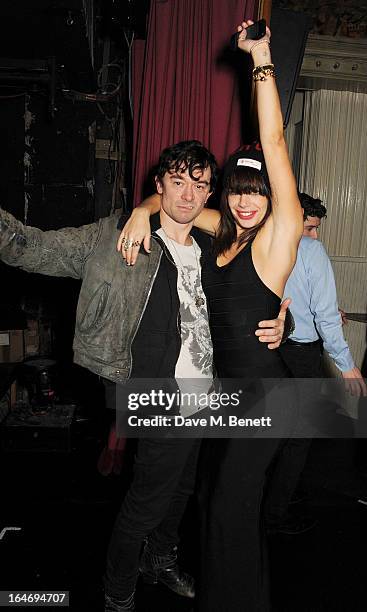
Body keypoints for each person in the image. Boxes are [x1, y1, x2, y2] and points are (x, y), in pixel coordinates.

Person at [0, 140, 288, 612]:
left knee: (184, 487)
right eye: (176, 183)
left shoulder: (211, 244)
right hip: (155, 394)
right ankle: (118, 593)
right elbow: (31, 247)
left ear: (209, 193)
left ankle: (160, 559)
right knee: (148, 498)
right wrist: (138, 214)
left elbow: (247, 300)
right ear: (159, 185)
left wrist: (283, 322)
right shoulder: (120, 237)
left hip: (205, 393)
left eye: (199, 185)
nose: (188, 195)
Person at [118, 20, 303, 611]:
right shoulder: (220, 230)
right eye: (237, 189)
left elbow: (272, 143)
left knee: (230, 508)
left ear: (273, 197)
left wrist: (261, 58)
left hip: (268, 398)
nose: (247, 199)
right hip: (227, 397)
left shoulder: (278, 237)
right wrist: (142, 209)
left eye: (258, 190)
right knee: (215, 505)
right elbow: (172, 200)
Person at [264, 192, 366, 535]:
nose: (315, 236)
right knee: (299, 436)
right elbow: (323, 317)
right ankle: (275, 514)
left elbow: (291, 301)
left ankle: (270, 496)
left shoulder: (266, 244)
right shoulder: (311, 251)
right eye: (310, 227)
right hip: (301, 354)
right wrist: (347, 364)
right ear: (295, 221)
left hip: (272, 350)